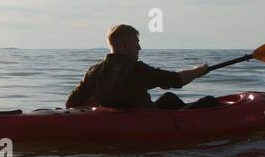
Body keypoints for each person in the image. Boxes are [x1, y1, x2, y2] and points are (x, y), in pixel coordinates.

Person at [65, 24, 216, 110]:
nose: (139, 48)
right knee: (209, 101)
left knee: (169, 98)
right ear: (124, 45)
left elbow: (71, 103)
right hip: (145, 119)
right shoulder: (136, 69)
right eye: (136, 43)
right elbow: (175, 80)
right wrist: (199, 70)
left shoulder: (93, 72)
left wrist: (99, 101)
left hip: (119, 117)